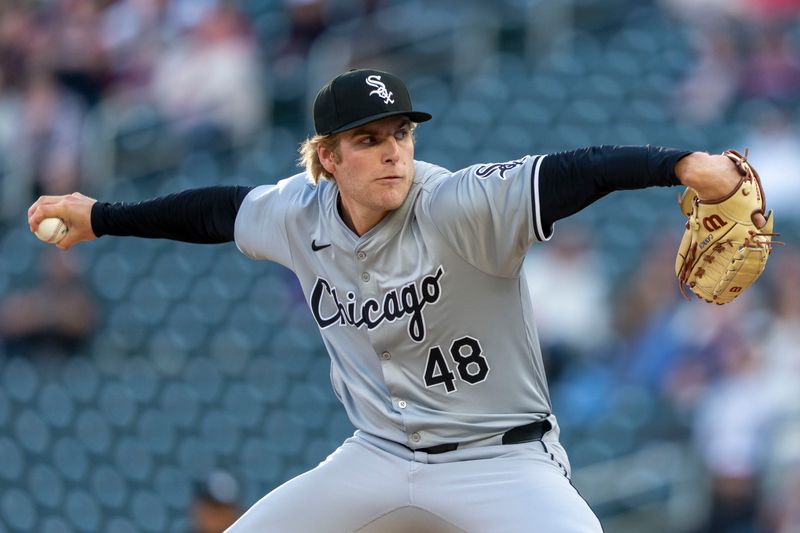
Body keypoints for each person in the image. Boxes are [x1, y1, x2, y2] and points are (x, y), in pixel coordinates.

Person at [28, 68, 756, 532]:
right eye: (368, 138)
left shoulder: (457, 203)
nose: (393, 151)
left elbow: (572, 172)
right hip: (376, 456)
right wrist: (102, 216)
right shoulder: (296, 214)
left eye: (401, 133)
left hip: (502, 463)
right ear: (327, 158)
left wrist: (678, 165)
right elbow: (214, 212)